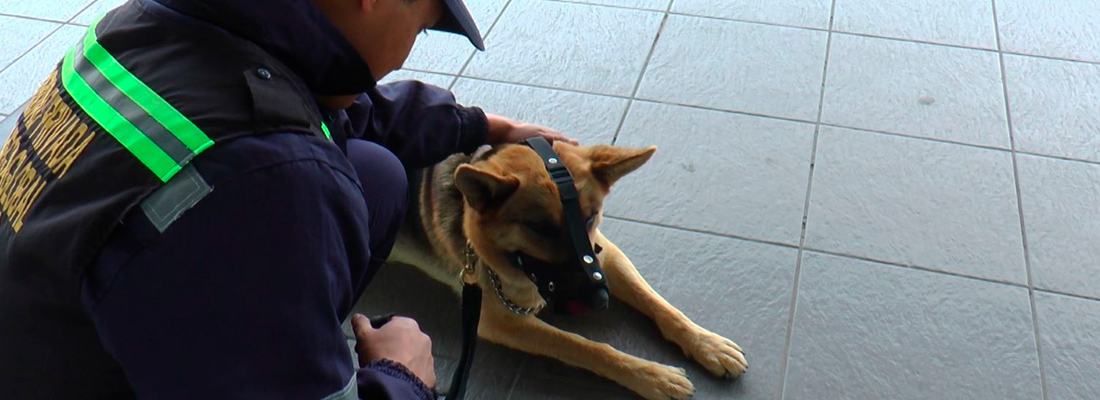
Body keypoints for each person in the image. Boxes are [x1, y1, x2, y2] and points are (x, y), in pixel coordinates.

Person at [0, 0, 575, 398]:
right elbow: (270, 157)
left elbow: (325, 104)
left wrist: (480, 125)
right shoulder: (264, 186)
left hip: (56, 334)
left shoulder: (148, 24)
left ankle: (282, 343)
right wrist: (403, 377)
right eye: (422, 25)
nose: (404, 53)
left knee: (374, 174)